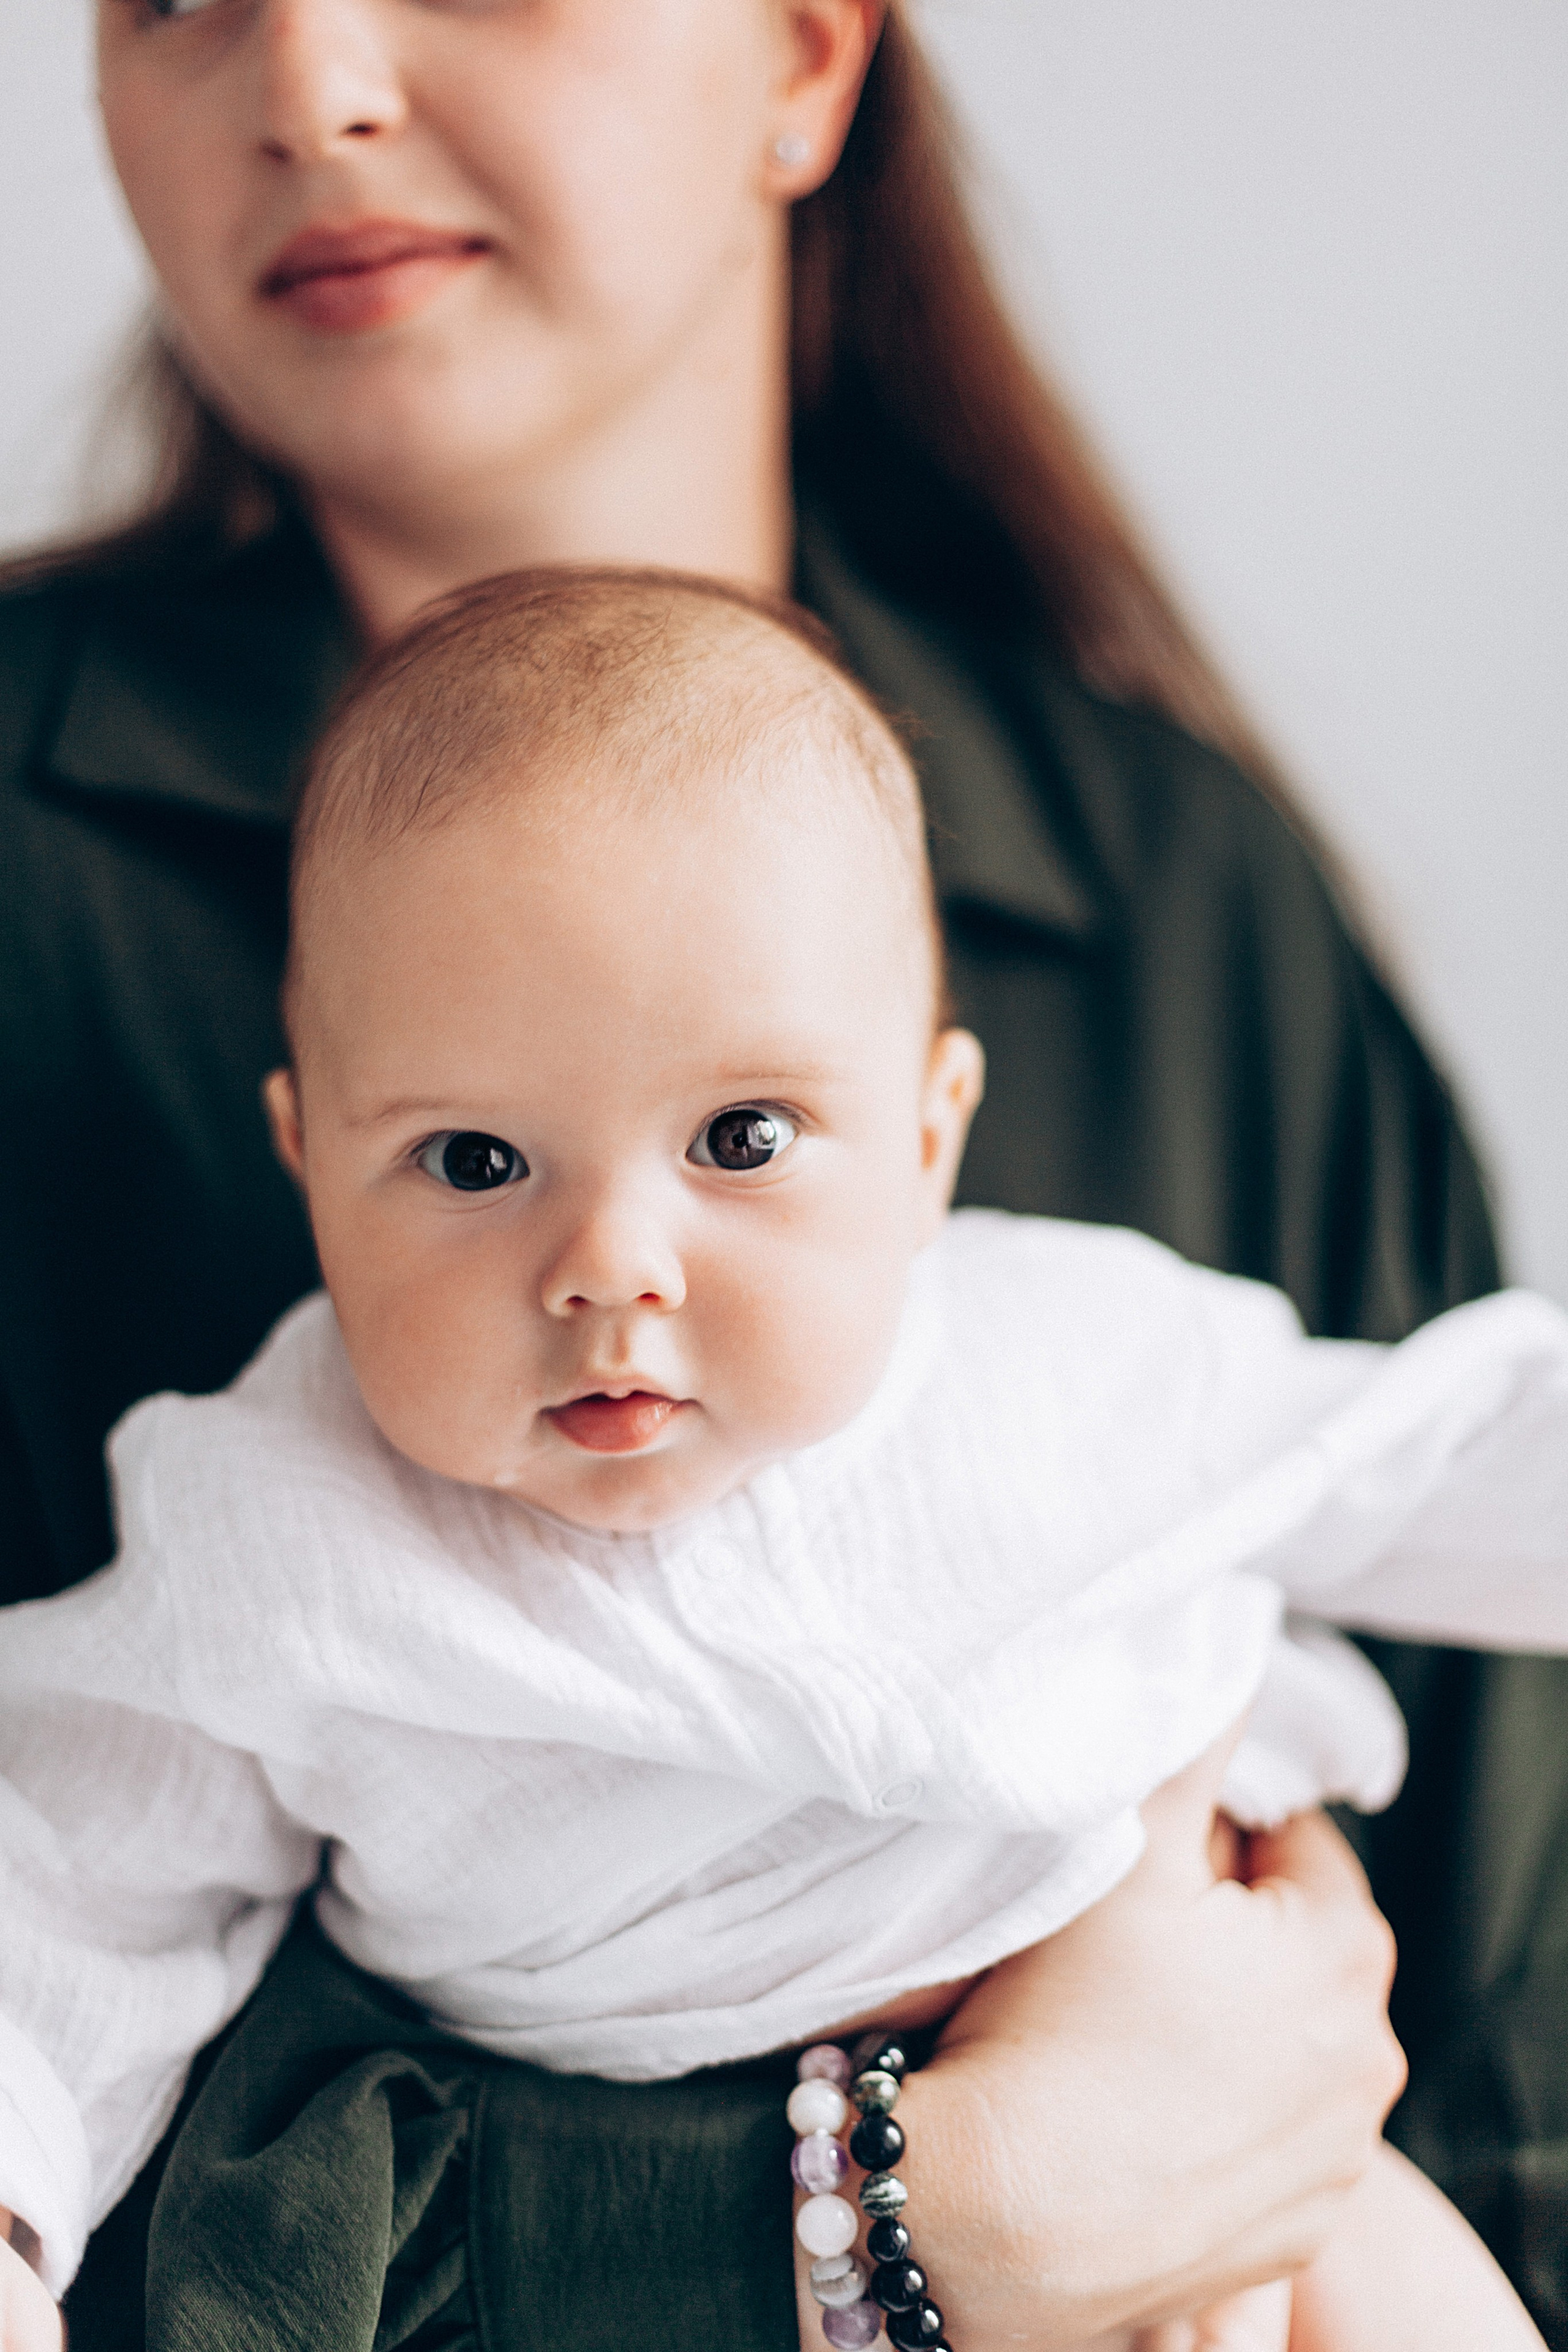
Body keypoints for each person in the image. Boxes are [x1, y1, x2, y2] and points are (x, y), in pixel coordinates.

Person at [0, 0, 1553, 2342]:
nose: (304, 83)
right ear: (307, 1134)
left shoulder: (1193, 904)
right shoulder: (258, 1518)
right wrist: (888, 2228)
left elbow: (1509, 2002)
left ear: (809, 56)